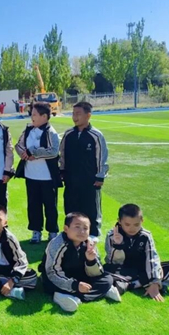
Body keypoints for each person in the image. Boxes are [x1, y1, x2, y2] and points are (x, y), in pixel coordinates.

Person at [40, 212, 121, 313]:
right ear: (66, 229)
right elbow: (52, 272)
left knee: (107, 279)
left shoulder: (89, 243)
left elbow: (98, 273)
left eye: (85, 228)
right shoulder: (57, 244)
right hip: (57, 277)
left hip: (79, 275)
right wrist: (74, 285)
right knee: (48, 284)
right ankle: (64, 295)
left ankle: (69, 296)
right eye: (77, 227)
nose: (82, 231)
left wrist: (90, 260)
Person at [14, 101, 62, 244]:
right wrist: (24, 154)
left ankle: (52, 232)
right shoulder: (28, 130)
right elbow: (18, 145)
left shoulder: (51, 132)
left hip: (47, 177)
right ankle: (36, 231)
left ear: (44, 116)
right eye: (32, 114)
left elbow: (54, 151)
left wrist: (34, 152)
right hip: (31, 176)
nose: (32, 117)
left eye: (34, 114)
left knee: (50, 206)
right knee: (33, 205)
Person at [60, 102, 109, 241]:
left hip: (89, 180)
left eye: (78, 114)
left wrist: (100, 176)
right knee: (70, 206)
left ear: (88, 115)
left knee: (91, 207)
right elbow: (62, 154)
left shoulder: (96, 135)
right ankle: (70, 233)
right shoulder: (68, 134)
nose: (74, 117)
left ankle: (93, 234)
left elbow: (101, 157)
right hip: (71, 179)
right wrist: (62, 170)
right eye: (73, 114)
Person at [104, 204, 169, 302]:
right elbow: (113, 262)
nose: (132, 228)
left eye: (136, 224)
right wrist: (118, 245)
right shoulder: (111, 235)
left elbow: (152, 259)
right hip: (121, 270)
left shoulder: (146, 236)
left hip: (143, 269)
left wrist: (155, 282)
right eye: (127, 224)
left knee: (166, 268)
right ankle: (140, 283)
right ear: (119, 221)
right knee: (105, 273)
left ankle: (131, 284)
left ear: (142, 221)